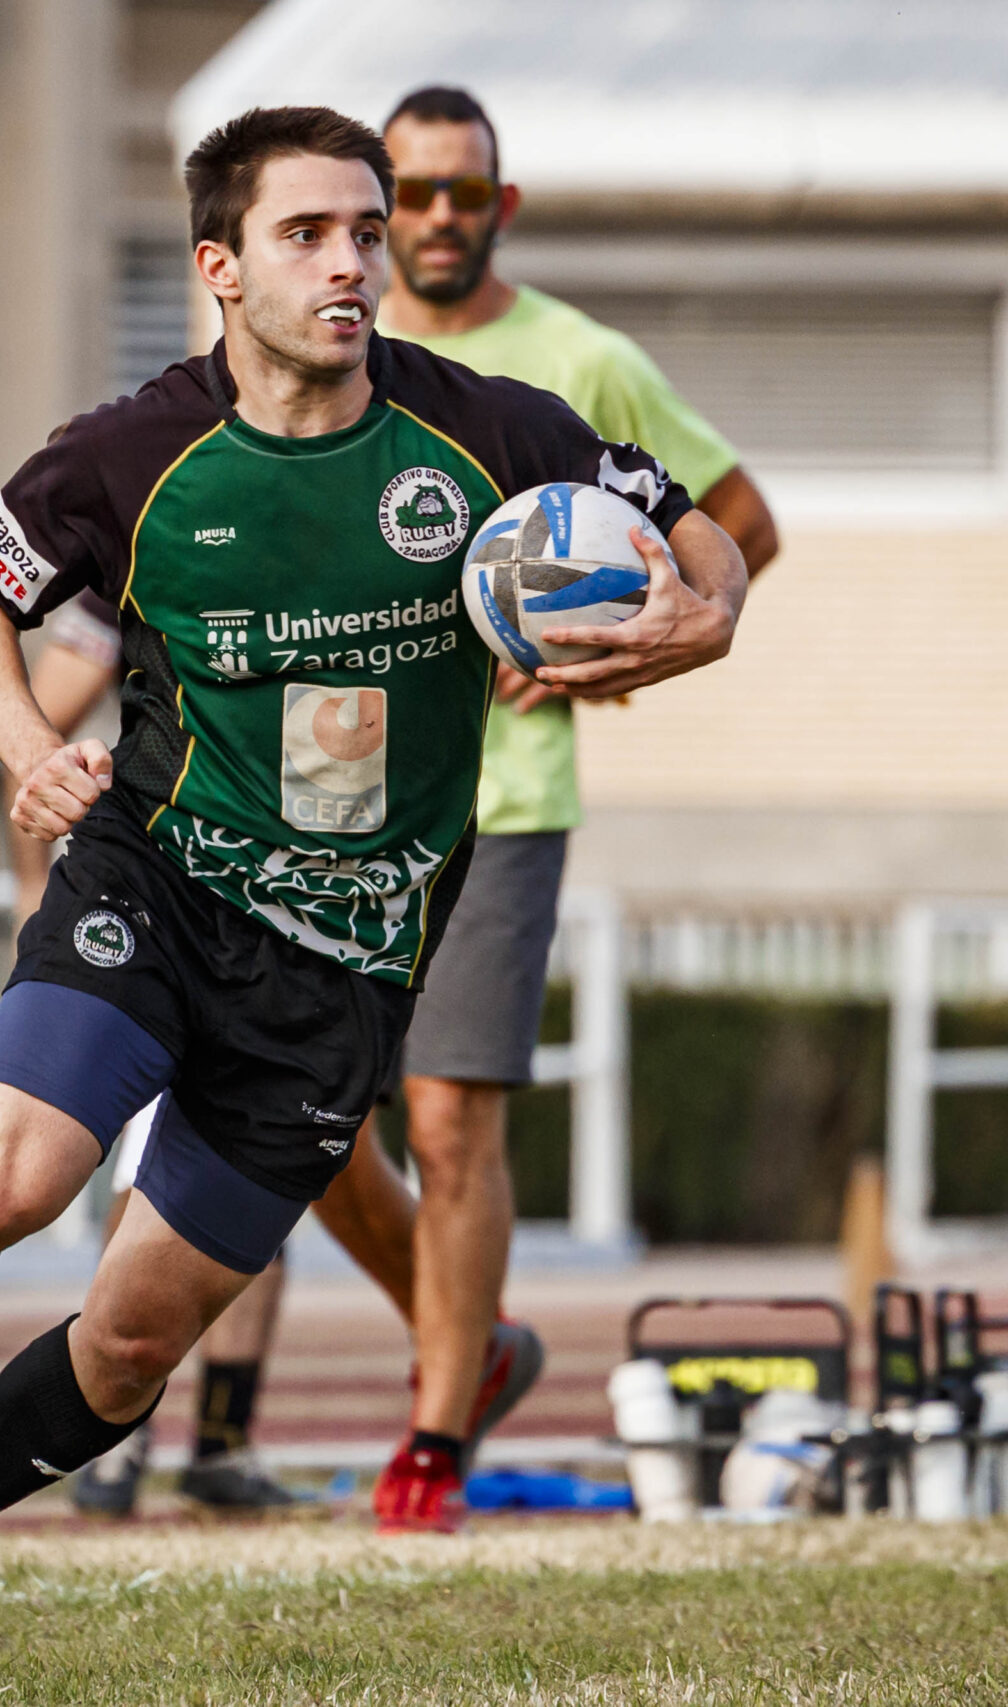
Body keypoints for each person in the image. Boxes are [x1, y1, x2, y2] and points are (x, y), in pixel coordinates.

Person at [0, 104, 743, 1674]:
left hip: (350, 962)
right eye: (310, 233)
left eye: (365, 231)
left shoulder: (494, 432)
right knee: (2, 1184)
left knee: (134, 1335)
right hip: (156, 882)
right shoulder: (129, 453)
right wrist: (27, 744)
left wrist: (703, 620)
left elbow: (708, 537)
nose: (351, 260)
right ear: (221, 267)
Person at [322, 86, 786, 1533]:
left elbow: (740, 520)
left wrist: (602, 664)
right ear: (384, 213)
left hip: (504, 800)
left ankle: (436, 1436)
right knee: (302, 1118)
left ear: (500, 206)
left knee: (452, 1121)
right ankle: (481, 1332)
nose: (444, 217)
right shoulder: (338, 356)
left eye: (470, 192)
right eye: (418, 193)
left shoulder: (582, 359)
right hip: (332, 787)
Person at [6, 597, 307, 1514]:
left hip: (302, 917)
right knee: (147, 1181)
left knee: (263, 1176)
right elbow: (41, 721)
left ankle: (221, 1441)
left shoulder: (326, 533)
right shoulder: (137, 547)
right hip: (165, 912)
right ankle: (113, 1444)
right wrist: (32, 891)